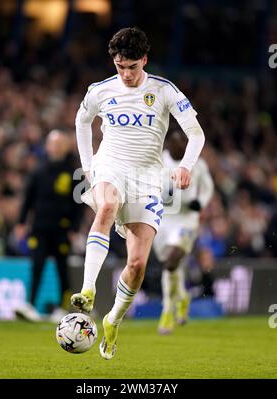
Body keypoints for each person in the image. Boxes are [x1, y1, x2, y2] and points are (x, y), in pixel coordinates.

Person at [72, 27, 205, 359]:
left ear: (144, 60)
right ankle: (88, 289)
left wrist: (186, 165)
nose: (127, 74)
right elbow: (81, 122)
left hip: (147, 178)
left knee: (137, 263)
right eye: (120, 67)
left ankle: (113, 319)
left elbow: (196, 133)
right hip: (111, 166)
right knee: (105, 207)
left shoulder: (164, 90)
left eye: (132, 66)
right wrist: (89, 167)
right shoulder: (100, 91)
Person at [14, 130, 84, 322]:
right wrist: (21, 223)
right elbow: (27, 199)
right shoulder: (38, 170)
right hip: (40, 228)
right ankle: (29, 305)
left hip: (62, 230)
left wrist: (75, 229)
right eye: (53, 143)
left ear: (66, 146)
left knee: (63, 269)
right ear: (47, 146)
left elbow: (79, 204)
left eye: (60, 143)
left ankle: (63, 308)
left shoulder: (73, 172)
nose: (56, 147)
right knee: (37, 265)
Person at [153, 130, 214, 334]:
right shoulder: (159, 160)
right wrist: (165, 192)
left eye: (183, 143)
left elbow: (208, 187)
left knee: (172, 262)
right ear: (168, 144)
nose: (179, 146)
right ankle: (182, 296)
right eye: (175, 142)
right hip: (164, 218)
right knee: (170, 266)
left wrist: (201, 202)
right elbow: (152, 186)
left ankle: (167, 311)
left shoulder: (197, 162)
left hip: (187, 219)